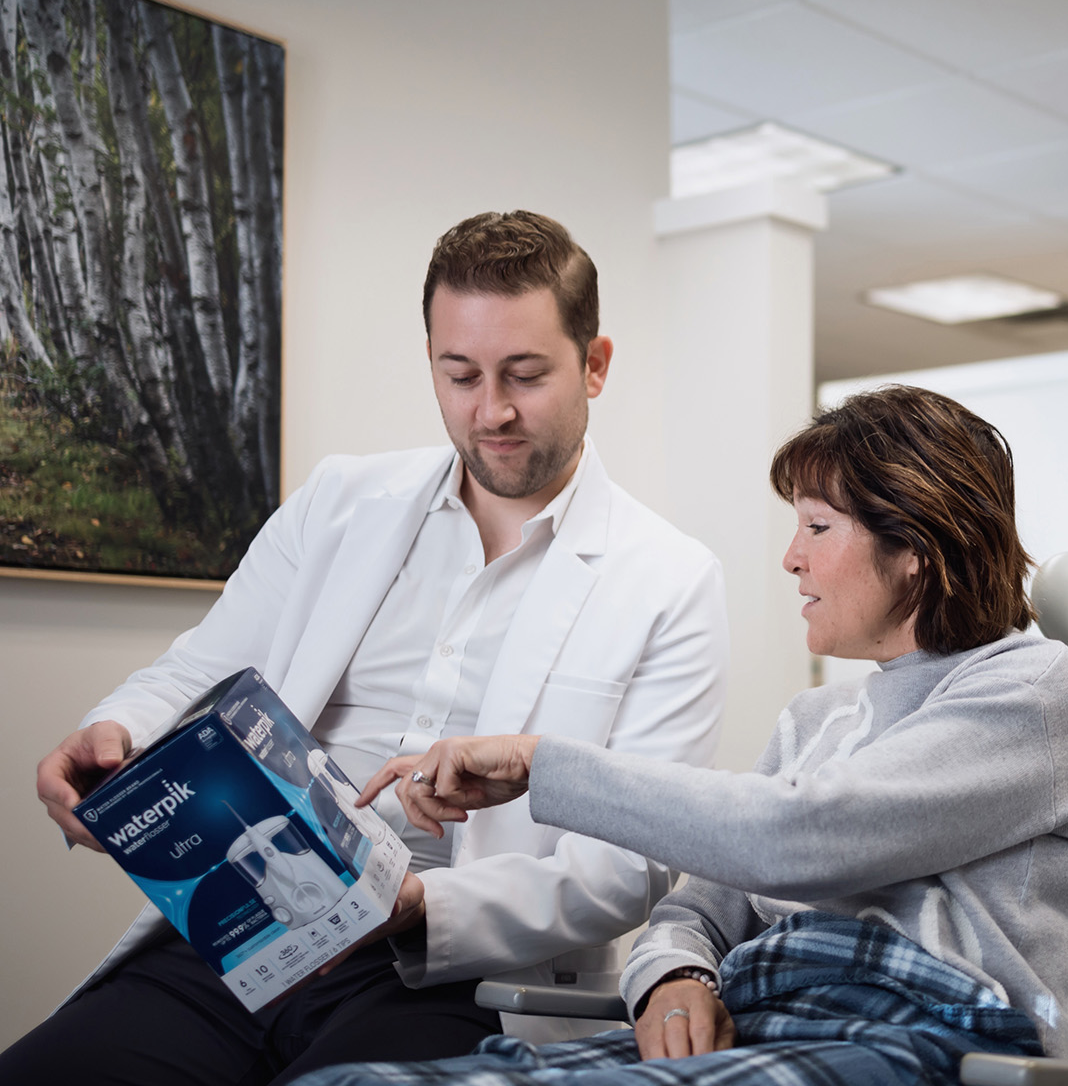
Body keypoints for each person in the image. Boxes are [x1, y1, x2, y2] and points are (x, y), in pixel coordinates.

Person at [2, 212, 730, 1086]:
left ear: (596, 364)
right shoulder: (339, 501)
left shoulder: (671, 578)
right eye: (459, 374)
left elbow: (633, 865)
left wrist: (417, 905)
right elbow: (199, 668)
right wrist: (113, 731)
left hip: (450, 975)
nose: (489, 410)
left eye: (525, 376)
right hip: (242, 944)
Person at [299, 385, 1068, 1086]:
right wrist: (674, 976)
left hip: (929, 1038)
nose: (791, 558)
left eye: (819, 529)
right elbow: (700, 906)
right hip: (767, 1021)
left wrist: (537, 763)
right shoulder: (816, 720)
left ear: (917, 550)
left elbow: (797, 836)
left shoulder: (1037, 692)